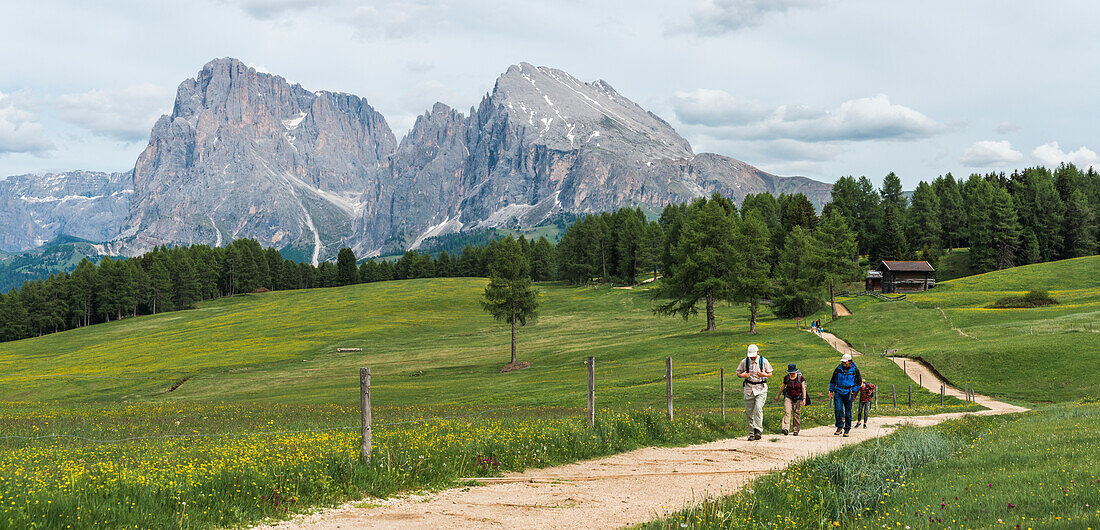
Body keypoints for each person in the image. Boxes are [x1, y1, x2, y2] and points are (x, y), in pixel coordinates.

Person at [736, 344, 773, 441]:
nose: (752, 357)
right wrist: (743, 375)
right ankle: (751, 433)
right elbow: (738, 373)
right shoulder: (745, 361)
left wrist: (763, 374)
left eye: (753, 355)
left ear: (758, 352)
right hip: (748, 389)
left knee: (758, 408)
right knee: (749, 412)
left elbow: (770, 373)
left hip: (761, 388)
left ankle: (758, 430)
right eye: (750, 355)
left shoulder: (764, 361)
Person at [828, 353, 862, 436]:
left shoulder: (855, 370)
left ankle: (847, 429)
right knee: (837, 409)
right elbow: (832, 380)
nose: (843, 363)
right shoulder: (838, 369)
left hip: (848, 393)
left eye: (845, 362)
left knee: (848, 412)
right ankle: (839, 426)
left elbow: (859, 382)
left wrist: (854, 390)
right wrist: (831, 390)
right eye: (842, 362)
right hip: (838, 391)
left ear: (849, 361)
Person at [774, 363, 806, 436]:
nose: (791, 374)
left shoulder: (800, 378)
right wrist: (777, 396)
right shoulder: (786, 378)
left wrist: (804, 399)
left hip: (798, 397)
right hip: (788, 397)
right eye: (790, 372)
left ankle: (796, 430)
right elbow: (782, 387)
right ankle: (785, 428)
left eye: (792, 372)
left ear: (795, 371)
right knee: (787, 412)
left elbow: (803, 388)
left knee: (796, 414)